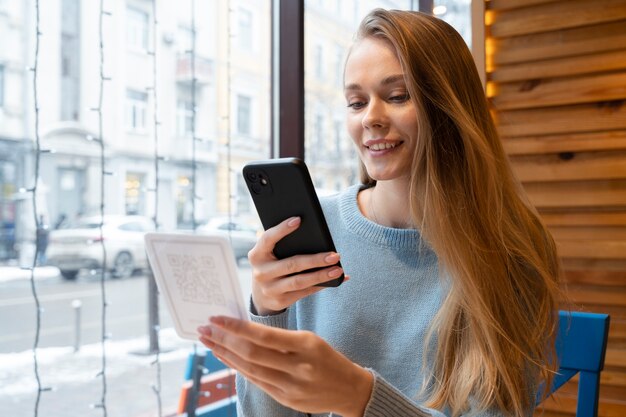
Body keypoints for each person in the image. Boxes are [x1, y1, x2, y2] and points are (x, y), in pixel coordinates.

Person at [198, 8, 562, 417]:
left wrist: (362, 398)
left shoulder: (511, 249)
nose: (370, 117)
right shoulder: (316, 231)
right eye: (356, 102)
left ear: (449, 107)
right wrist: (268, 312)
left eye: (397, 96)